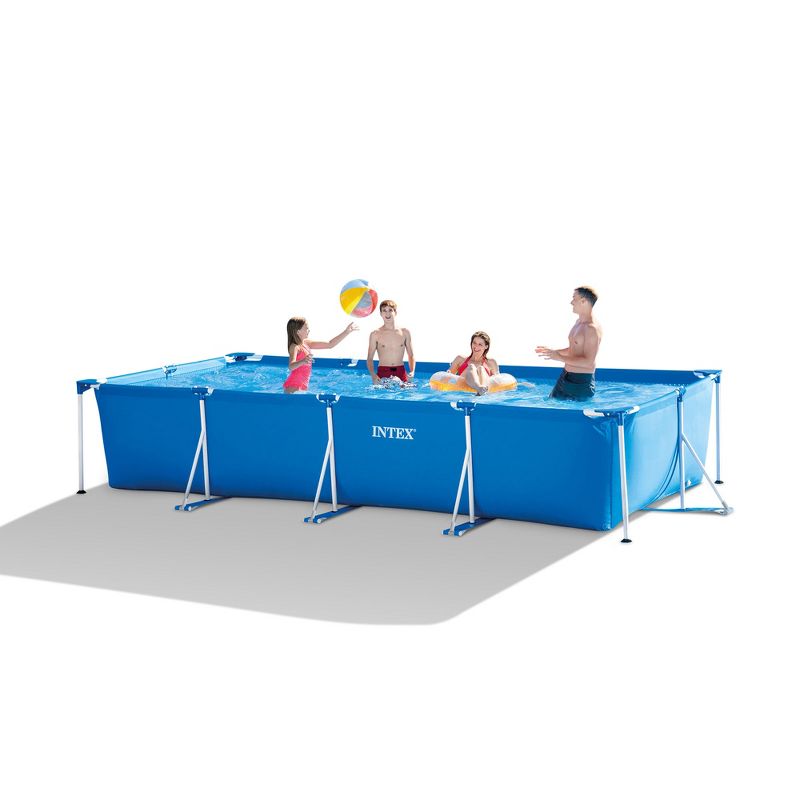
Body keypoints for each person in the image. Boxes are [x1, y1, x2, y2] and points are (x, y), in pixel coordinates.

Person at [536, 286, 602, 399]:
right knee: (551, 403)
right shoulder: (578, 322)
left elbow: (588, 362)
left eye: (574, 298)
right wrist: (554, 352)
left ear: (583, 301)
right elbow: (575, 349)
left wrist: (559, 357)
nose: (571, 302)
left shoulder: (592, 329)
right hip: (565, 376)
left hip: (580, 382)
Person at [284, 317, 358, 394]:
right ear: (298, 331)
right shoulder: (295, 346)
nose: (309, 330)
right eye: (306, 328)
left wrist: (346, 332)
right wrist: (303, 361)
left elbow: (330, 344)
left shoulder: (306, 343)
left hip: (300, 388)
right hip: (293, 388)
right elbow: (291, 366)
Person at [366, 299, 416, 384]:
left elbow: (411, 355)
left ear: (395, 312)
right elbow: (369, 358)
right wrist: (373, 375)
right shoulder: (375, 334)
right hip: (383, 372)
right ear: (381, 314)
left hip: (401, 372)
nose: (387, 313)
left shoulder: (405, 332)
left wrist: (412, 371)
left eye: (390, 310)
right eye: (384, 310)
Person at [449, 331, 499, 396]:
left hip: (484, 386)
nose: (476, 346)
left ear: (486, 346)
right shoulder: (460, 359)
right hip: (464, 388)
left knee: (481, 368)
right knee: (471, 367)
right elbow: (449, 377)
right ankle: (479, 388)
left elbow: (497, 381)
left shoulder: (491, 362)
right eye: (474, 343)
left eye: (480, 344)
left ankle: (481, 390)